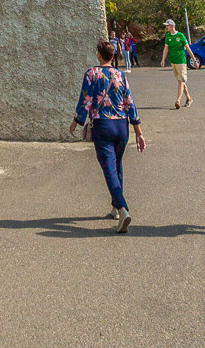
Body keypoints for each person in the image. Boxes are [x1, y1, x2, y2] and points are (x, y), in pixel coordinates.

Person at [70, 39, 145, 232]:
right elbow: (129, 102)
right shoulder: (120, 75)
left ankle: (123, 208)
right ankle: (115, 207)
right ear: (113, 56)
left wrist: (77, 121)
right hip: (122, 125)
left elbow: (85, 99)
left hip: (103, 126)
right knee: (117, 165)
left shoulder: (92, 73)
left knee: (109, 169)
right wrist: (138, 131)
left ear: (99, 55)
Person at [160, 18, 195, 108]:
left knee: (180, 81)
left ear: (172, 26)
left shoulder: (181, 35)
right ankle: (189, 98)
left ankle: (178, 101)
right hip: (173, 62)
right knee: (182, 81)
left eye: (167, 25)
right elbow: (166, 49)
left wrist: (194, 60)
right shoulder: (168, 36)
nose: (166, 27)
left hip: (181, 62)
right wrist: (163, 60)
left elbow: (188, 48)